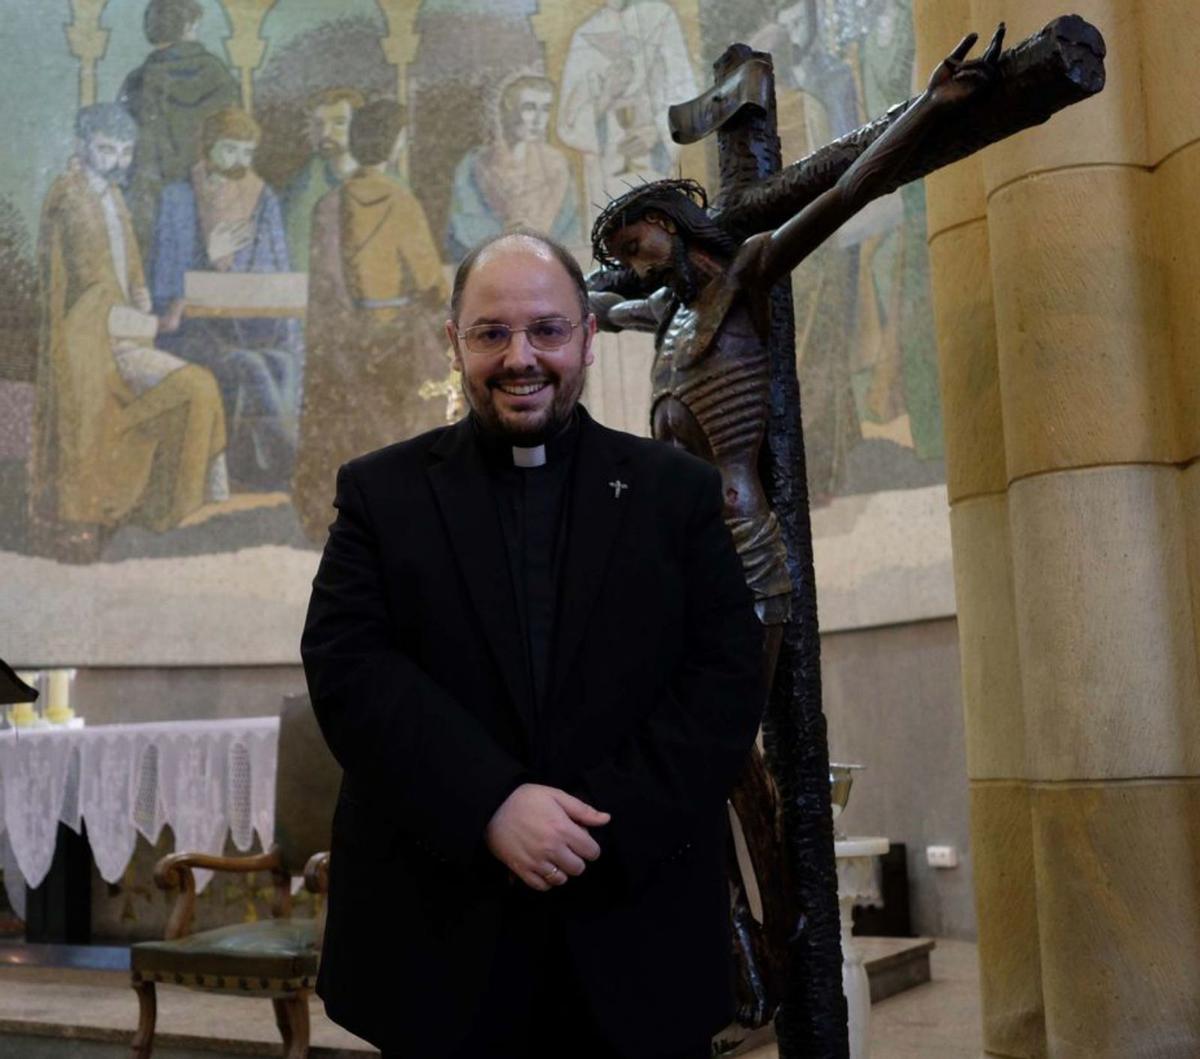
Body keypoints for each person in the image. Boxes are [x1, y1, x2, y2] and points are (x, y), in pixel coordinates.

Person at [300, 229, 764, 1057]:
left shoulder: (675, 493)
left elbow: (724, 678)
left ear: (587, 337)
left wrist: (588, 830)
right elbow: (350, 672)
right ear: (454, 342)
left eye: (547, 330)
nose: (521, 357)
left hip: (636, 925)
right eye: (492, 333)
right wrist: (491, 802)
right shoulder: (381, 493)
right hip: (438, 944)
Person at [29, 103, 228, 561]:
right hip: (85, 343)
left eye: (124, 151)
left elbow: (128, 269)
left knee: (197, 388)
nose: (116, 160)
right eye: (105, 149)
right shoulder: (72, 197)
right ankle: (89, 520)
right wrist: (155, 322)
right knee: (182, 390)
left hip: (120, 336)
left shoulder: (111, 195)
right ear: (83, 145)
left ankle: (160, 511)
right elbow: (93, 291)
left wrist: (141, 295)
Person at [291, 98, 448, 543]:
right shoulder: (400, 201)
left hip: (343, 340)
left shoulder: (328, 204)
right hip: (396, 336)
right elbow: (429, 282)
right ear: (395, 144)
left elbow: (323, 289)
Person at [151, 105, 302, 492]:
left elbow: (276, 269)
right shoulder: (179, 197)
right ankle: (290, 463)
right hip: (192, 328)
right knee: (249, 366)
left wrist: (242, 278)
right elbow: (166, 281)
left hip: (251, 324)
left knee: (283, 363)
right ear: (208, 147)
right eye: (230, 149)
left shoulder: (261, 196)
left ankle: (266, 467)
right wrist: (210, 257)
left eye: (247, 152)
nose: (240, 161)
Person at [118, 0, 239, 252]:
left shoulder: (137, 81)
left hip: (149, 204)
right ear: (189, 26)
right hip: (209, 199)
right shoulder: (218, 75)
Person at [445, 72, 578, 259]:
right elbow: (463, 226)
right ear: (507, 109)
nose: (539, 119)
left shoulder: (556, 164)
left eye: (546, 109)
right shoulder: (474, 165)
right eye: (529, 108)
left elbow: (570, 226)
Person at [280, 87, 365, 273]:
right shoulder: (301, 187)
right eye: (319, 124)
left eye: (339, 123)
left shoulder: (386, 181)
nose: (326, 132)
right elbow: (295, 250)